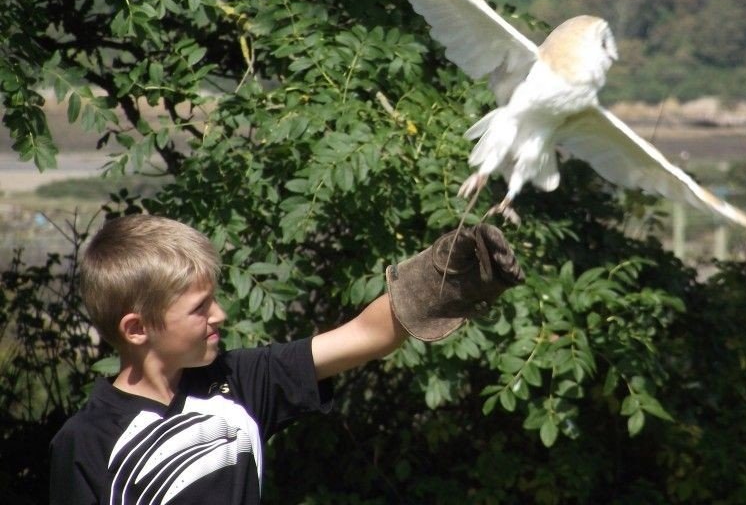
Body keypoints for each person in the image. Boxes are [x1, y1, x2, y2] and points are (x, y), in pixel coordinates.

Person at [49, 213, 523, 504]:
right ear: (136, 328)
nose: (222, 313)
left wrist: (443, 283)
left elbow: (365, 334)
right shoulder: (87, 441)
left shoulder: (241, 381)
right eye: (199, 308)